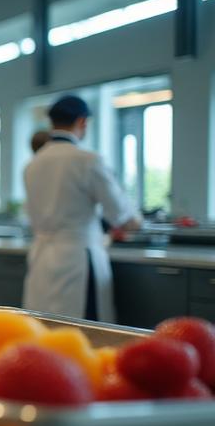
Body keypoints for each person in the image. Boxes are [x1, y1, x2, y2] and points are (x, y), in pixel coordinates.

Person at [23, 95, 141, 322]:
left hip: (41, 257)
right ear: (83, 122)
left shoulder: (33, 164)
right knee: (83, 331)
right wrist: (136, 223)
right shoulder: (87, 160)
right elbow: (121, 215)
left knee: (43, 330)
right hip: (77, 259)